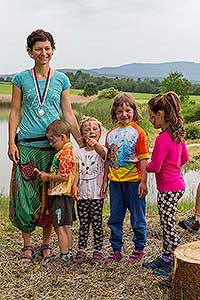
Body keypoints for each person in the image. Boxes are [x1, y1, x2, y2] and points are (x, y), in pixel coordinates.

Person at [8, 29, 83, 263]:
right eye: (38, 48)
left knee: (51, 198)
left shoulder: (61, 79)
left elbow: (68, 114)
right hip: (27, 147)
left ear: (53, 50)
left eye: (47, 48)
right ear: (30, 52)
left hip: (54, 149)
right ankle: (27, 246)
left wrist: (80, 141)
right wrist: (11, 141)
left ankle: (46, 244)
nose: (43, 52)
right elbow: (15, 111)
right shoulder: (20, 78)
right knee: (26, 198)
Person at [143, 91, 189, 276]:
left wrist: (142, 163)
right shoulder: (178, 136)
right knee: (166, 223)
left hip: (168, 188)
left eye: (152, 117)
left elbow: (155, 166)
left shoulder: (162, 138)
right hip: (178, 185)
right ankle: (166, 257)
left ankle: (176, 262)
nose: (151, 121)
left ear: (161, 114)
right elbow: (184, 158)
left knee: (168, 226)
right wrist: (173, 166)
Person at [102, 93, 150, 265]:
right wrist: (104, 181)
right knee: (115, 217)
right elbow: (108, 159)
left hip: (134, 182)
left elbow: (144, 159)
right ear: (114, 113)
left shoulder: (139, 133)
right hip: (115, 182)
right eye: (120, 111)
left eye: (128, 110)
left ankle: (139, 249)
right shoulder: (110, 134)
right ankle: (116, 250)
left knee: (137, 217)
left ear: (134, 111)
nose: (124, 114)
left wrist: (143, 181)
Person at [35, 120, 76, 262]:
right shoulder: (67, 151)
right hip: (65, 195)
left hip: (61, 195)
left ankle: (64, 254)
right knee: (66, 226)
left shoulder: (65, 154)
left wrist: (47, 177)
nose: (51, 144)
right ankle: (68, 252)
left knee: (59, 226)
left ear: (63, 137)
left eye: (53, 140)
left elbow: (64, 177)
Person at [72, 116, 107, 265]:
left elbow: (104, 156)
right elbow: (77, 171)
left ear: (100, 133)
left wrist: (96, 144)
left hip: (97, 194)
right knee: (84, 223)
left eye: (94, 129)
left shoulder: (102, 150)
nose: (91, 131)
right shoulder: (79, 152)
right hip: (82, 195)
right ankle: (81, 250)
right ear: (82, 134)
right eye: (87, 130)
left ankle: (98, 251)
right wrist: (74, 185)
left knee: (97, 222)